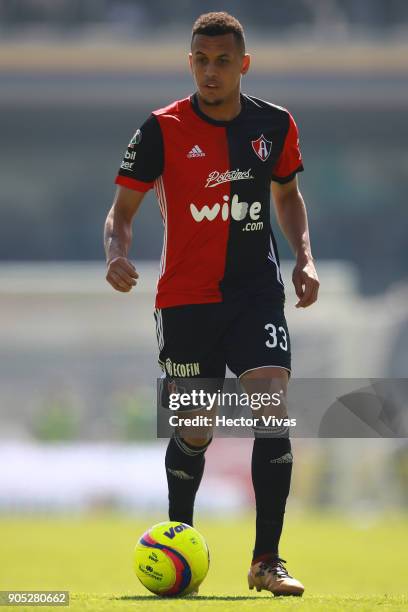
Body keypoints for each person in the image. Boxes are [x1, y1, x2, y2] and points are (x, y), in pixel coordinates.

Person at [104, 11, 319, 597]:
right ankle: (183, 549)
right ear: (189, 62)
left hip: (254, 294)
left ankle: (266, 560)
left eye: (223, 60)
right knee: (195, 428)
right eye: (201, 60)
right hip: (186, 302)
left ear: (243, 64)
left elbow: (289, 196)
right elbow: (120, 214)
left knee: (271, 405)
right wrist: (115, 253)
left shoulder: (274, 125)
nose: (211, 71)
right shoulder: (160, 129)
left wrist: (304, 256)